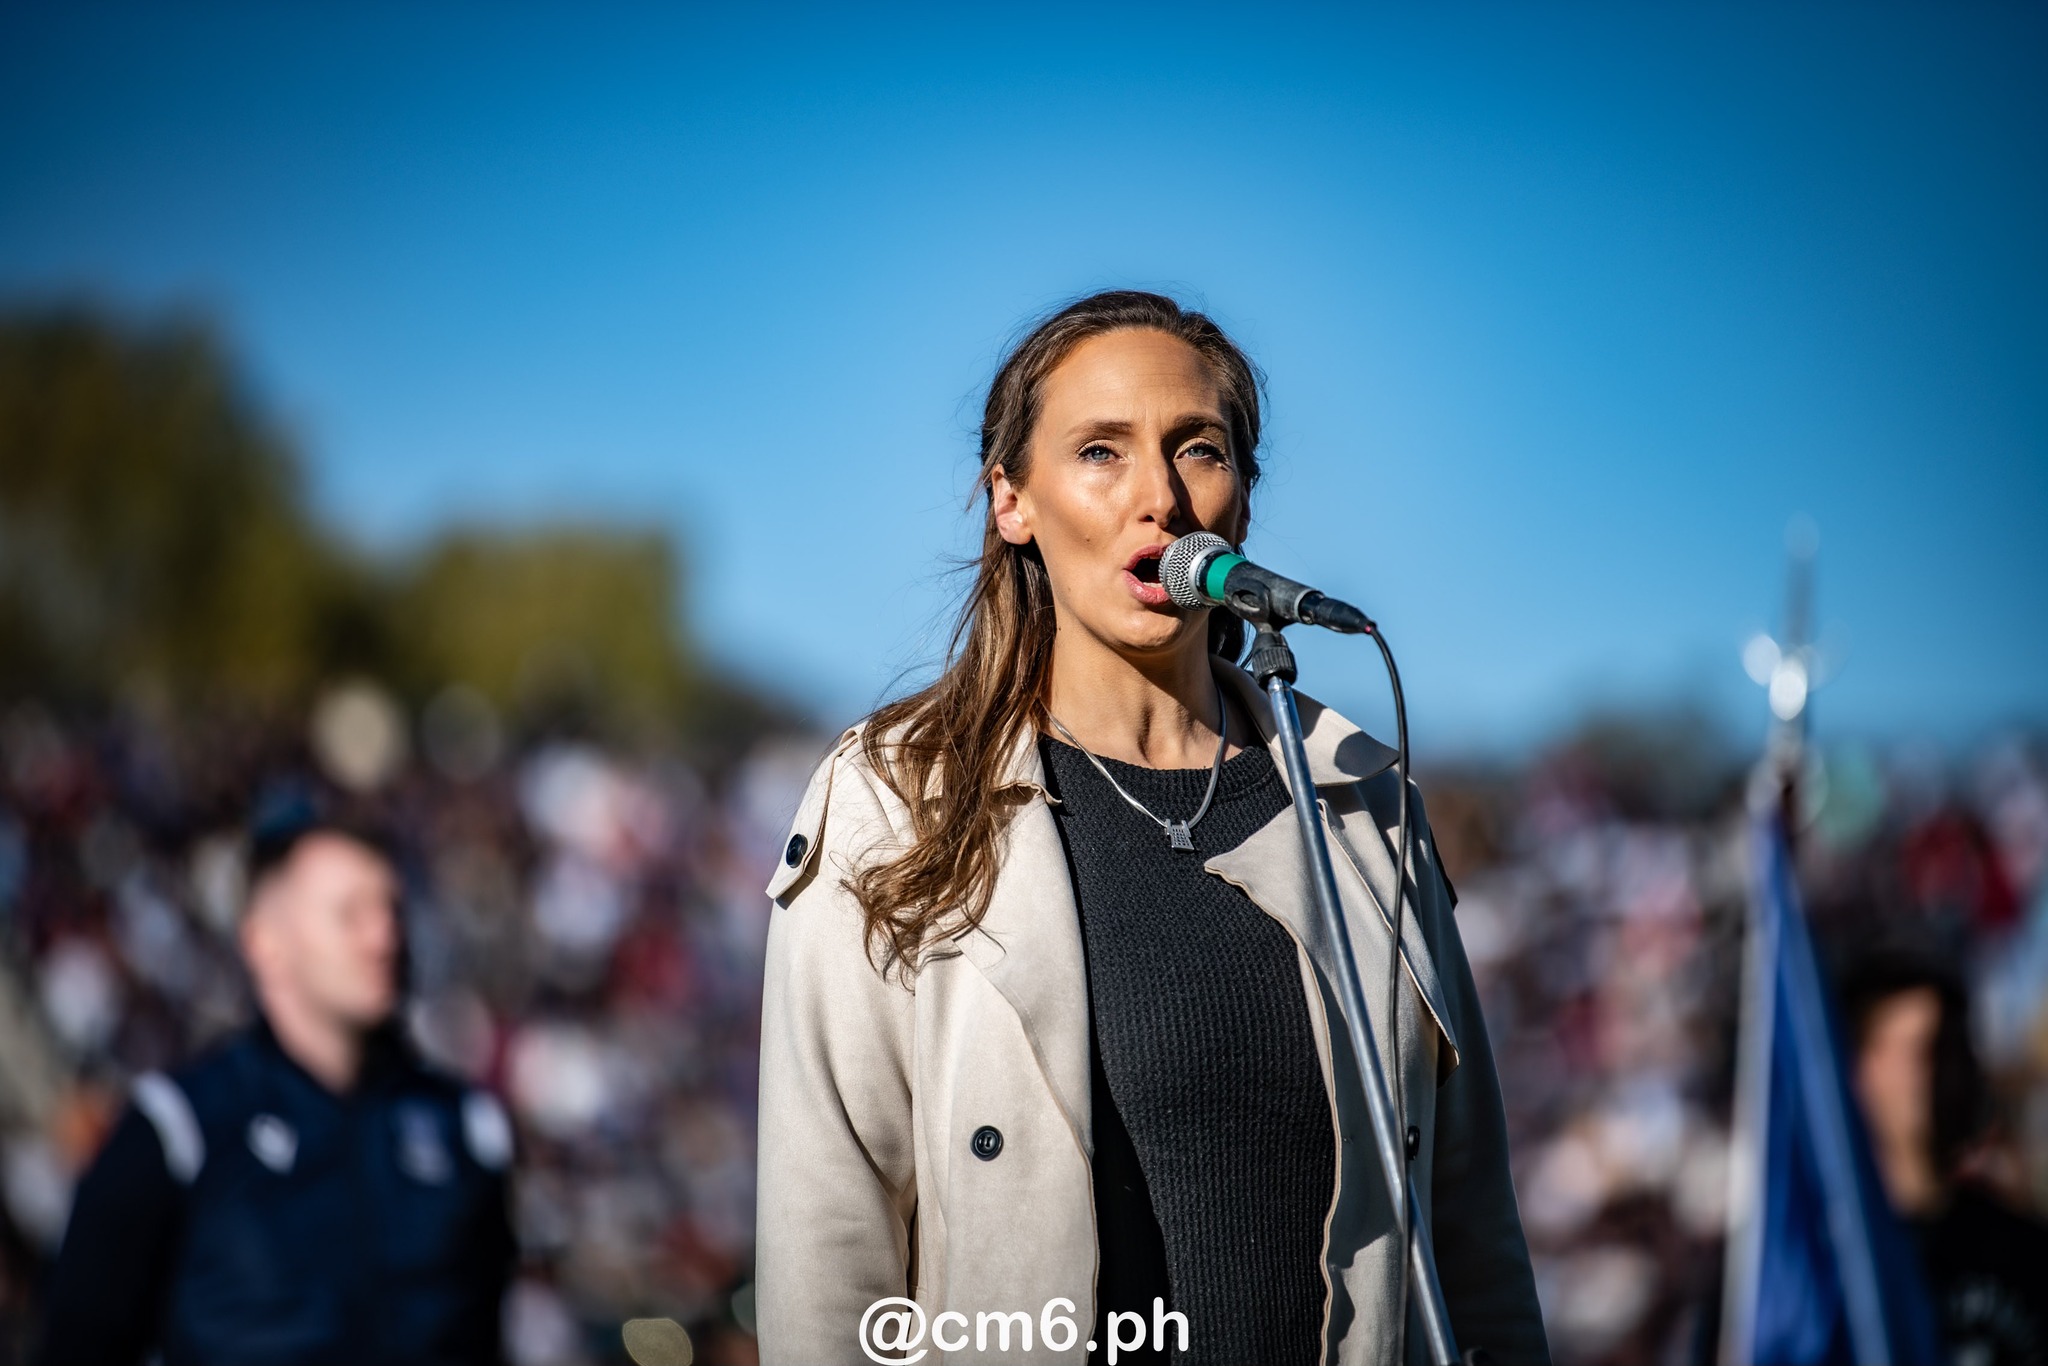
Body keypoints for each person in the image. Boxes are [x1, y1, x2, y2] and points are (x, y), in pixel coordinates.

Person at [756, 291, 1548, 1365]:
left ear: (1242, 504)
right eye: (1098, 450)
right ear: (1010, 501)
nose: (1159, 497)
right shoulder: (894, 799)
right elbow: (827, 1246)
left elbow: (1469, 1237)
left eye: (1198, 450)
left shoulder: (1362, 806)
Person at [35, 806, 515, 1366]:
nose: (382, 937)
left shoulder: (464, 1128)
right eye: (349, 914)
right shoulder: (181, 1130)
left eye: (391, 910)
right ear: (266, 942)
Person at [1843, 946, 2048, 1366]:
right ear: (1862, 1071)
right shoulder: (1833, 1270)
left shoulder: (2019, 1246)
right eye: (1921, 1052)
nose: (1943, 1076)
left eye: (1954, 1050)